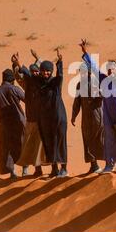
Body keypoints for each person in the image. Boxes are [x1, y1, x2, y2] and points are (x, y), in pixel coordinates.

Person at [80, 39, 116, 174]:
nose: (111, 71)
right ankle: (110, 165)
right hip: (109, 114)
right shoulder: (103, 79)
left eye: (114, 69)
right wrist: (85, 52)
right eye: (109, 69)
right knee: (109, 139)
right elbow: (93, 67)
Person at [12, 50, 47, 177]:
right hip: (31, 119)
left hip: (41, 120)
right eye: (33, 72)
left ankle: (49, 169)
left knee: (41, 146)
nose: (35, 73)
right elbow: (18, 76)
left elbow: (45, 70)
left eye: (37, 71)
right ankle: (37, 170)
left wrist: (38, 58)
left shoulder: (43, 84)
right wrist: (15, 64)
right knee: (31, 145)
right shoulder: (27, 85)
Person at [37, 49, 68, 178]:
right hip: (46, 120)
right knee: (49, 143)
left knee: (60, 142)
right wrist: (18, 65)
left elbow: (60, 76)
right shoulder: (39, 84)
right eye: (44, 70)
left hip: (58, 118)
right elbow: (29, 76)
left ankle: (64, 168)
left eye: (48, 71)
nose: (46, 73)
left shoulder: (55, 83)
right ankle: (54, 169)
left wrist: (59, 63)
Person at [0, 69, 26, 179]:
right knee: (21, 143)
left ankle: (12, 172)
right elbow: (26, 99)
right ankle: (25, 169)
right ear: (12, 80)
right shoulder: (15, 89)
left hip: (4, 123)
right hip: (18, 120)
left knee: (6, 146)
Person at [71, 62, 105, 174]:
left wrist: (99, 97)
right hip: (86, 117)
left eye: (85, 72)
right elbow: (77, 101)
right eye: (82, 72)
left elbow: (105, 95)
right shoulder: (80, 85)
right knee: (87, 140)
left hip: (97, 115)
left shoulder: (97, 82)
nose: (83, 74)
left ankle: (110, 164)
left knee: (100, 139)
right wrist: (74, 115)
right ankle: (94, 165)